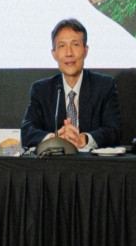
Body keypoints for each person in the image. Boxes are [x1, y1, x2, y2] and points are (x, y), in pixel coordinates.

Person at [20, 18, 122, 150]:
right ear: (54, 54)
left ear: (85, 50)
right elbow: (26, 131)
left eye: (75, 45)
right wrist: (54, 139)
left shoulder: (104, 87)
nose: (69, 53)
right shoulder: (41, 90)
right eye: (62, 46)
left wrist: (84, 139)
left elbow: (114, 131)